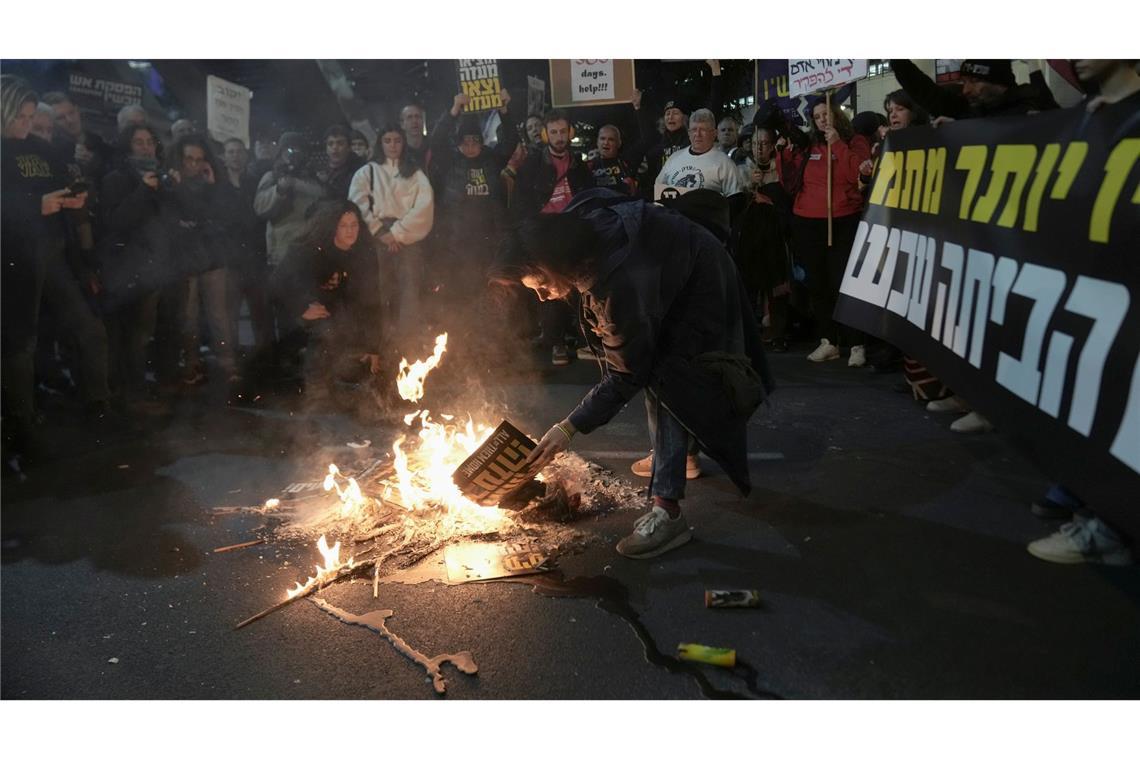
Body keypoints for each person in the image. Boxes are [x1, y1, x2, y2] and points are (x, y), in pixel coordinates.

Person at [492, 188, 772, 559]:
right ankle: (677, 454)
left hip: (701, 283)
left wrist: (569, 426)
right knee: (659, 370)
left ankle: (667, 512)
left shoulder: (619, 283)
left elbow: (627, 373)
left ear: (555, 262)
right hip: (680, 261)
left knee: (668, 379)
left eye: (541, 286)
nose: (542, 297)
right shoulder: (579, 229)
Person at [2, 76, 112, 465]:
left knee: (88, 327)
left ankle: (98, 404)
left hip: (52, 253)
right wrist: (37, 206)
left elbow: (59, 186)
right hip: (14, 262)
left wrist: (72, 197)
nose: (27, 124)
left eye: (31, 116)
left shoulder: (39, 148)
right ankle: (23, 427)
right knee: (20, 345)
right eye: (21, 116)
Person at [780, 97, 871, 366]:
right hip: (808, 222)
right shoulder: (810, 145)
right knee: (818, 284)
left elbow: (856, 176)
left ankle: (856, 342)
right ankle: (828, 341)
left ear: (836, 114)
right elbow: (790, 179)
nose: (821, 119)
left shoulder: (854, 142)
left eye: (826, 113)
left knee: (845, 282)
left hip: (843, 220)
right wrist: (784, 152)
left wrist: (837, 146)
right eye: (817, 115)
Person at [271, 200, 384, 409]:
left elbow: (371, 299)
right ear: (332, 226)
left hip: (343, 309)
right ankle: (316, 391)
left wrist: (373, 346)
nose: (351, 231)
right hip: (306, 307)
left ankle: (344, 385)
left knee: (361, 347)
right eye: (343, 225)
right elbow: (278, 282)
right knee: (326, 332)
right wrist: (302, 308)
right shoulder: (309, 248)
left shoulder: (364, 252)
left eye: (354, 225)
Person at [427, 89, 517, 343]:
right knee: (459, 294)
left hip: (489, 241)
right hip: (457, 243)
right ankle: (460, 342)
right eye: (464, 142)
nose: (470, 147)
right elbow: (436, 141)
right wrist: (454, 110)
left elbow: (510, 140)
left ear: (481, 142)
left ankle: (489, 343)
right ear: (458, 144)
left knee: (490, 294)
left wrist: (504, 110)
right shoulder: (450, 162)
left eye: (474, 141)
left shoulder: (492, 159)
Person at [511, 108, 594, 366]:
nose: (559, 137)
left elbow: (589, 196)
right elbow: (521, 203)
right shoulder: (533, 164)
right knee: (550, 288)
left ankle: (584, 340)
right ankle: (555, 342)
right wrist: (531, 232)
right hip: (544, 231)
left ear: (570, 133)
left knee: (581, 286)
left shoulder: (579, 163)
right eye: (554, 132)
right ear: (546, 134)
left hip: (572, 229)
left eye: (563, 131)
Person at [97, 124, 169, 411]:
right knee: (125, 334)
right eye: (138, 142)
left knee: (142, 332)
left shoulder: (160, 179)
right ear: (128, 146)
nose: (145, 147)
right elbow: (116, 221)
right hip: (125, 267)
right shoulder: (116, 179)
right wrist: (143, 190)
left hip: (153, 267)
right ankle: (126, 392)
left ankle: (135, 388)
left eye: (150, 141)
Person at [347, 122, 435, 355]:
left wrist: (397, 233)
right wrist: (380, 232)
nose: (393, 145)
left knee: (410, 291)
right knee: (380, 289)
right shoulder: (367, 172)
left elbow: (423, 207)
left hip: (407, 235)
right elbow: (357, 204)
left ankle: (408, 345)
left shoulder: (415, 174)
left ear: (403, 143)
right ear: (380, 143)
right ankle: (381, 344)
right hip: (376, 237)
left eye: (397, 140)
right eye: (388, 141)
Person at [163, 134, 238, 387]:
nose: (194, 164)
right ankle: (191, 363)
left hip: (212, 257)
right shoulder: (171, 182)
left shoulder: (213, 183)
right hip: (185, 259)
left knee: (218, 315)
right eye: (189, 159)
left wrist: (213, 185)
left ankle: (227, 364)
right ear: (180, 159)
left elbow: (222, 216)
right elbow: (176, 218)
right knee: (189, 315)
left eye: (199, 159)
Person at [216, 137, 272, 362]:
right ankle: (233, 359)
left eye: (239, 151)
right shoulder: (218, 185)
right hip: (231, 259)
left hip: (255, 257)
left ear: (246, 155)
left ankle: (265, 358)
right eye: (230, 152)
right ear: (224, 156)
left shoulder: (254, 182)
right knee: (230, 314)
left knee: (261, 312)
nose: (235, 156)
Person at [635, 59, 724, 200]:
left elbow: (714, 110)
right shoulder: (658, 143)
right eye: (667, 113)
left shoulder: (694, 139)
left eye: (675, 113)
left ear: (685, 118)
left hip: (692, 196)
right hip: (664, 199)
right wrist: (638, 108)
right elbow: (646, 134)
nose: (670, 117)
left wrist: (716, 72)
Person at [889, 59, 1058, 122]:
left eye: (974, 81)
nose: (966, 90)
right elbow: (924, 90)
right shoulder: (965, 109)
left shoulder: (1034, 106)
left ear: (999, 82)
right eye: (963, 82)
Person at [254, 132, 328, 269]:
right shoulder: (272, 176)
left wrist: (296, 183)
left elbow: (323, 199)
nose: (293, 154)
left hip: (308, 248)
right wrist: (279, 190)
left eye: (298, 150)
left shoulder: (313, 178)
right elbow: (260, 207)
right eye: (289, 150)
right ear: (281, 152)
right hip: (281, 250)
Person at [654, 108, 746, 198]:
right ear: (689, 133)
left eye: (703, 130)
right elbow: (658, 191)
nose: (697, 134)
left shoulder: (725, 164)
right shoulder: (673, 158)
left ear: (714, 133)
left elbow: (735, 199)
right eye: (694, 130)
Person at [42, 91, 113, 182]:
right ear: (50, 122)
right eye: (61, 118)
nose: (70, 120)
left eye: (71, 113)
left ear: (77, 110)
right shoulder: (50, 149)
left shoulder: (99, 143)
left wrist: (95, 164)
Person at [317, 124, 365, 200]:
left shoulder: (359, 171)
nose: (335, 147)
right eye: (330, 144)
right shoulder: (320, 169)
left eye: (340, 143)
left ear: (349, 147)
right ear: (326, 148)